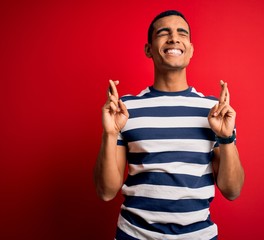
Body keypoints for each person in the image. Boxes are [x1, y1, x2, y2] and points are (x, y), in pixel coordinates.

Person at [94, 10, 245, 240]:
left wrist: (226, 138)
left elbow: (232, 191)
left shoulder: (215, 110)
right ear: (148, 49)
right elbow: (106, 192)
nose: (174, 38)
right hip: (134, 235)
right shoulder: (124, 109)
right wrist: (110, 132)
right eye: (163, 33)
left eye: (181, 33)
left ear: (190, 49)